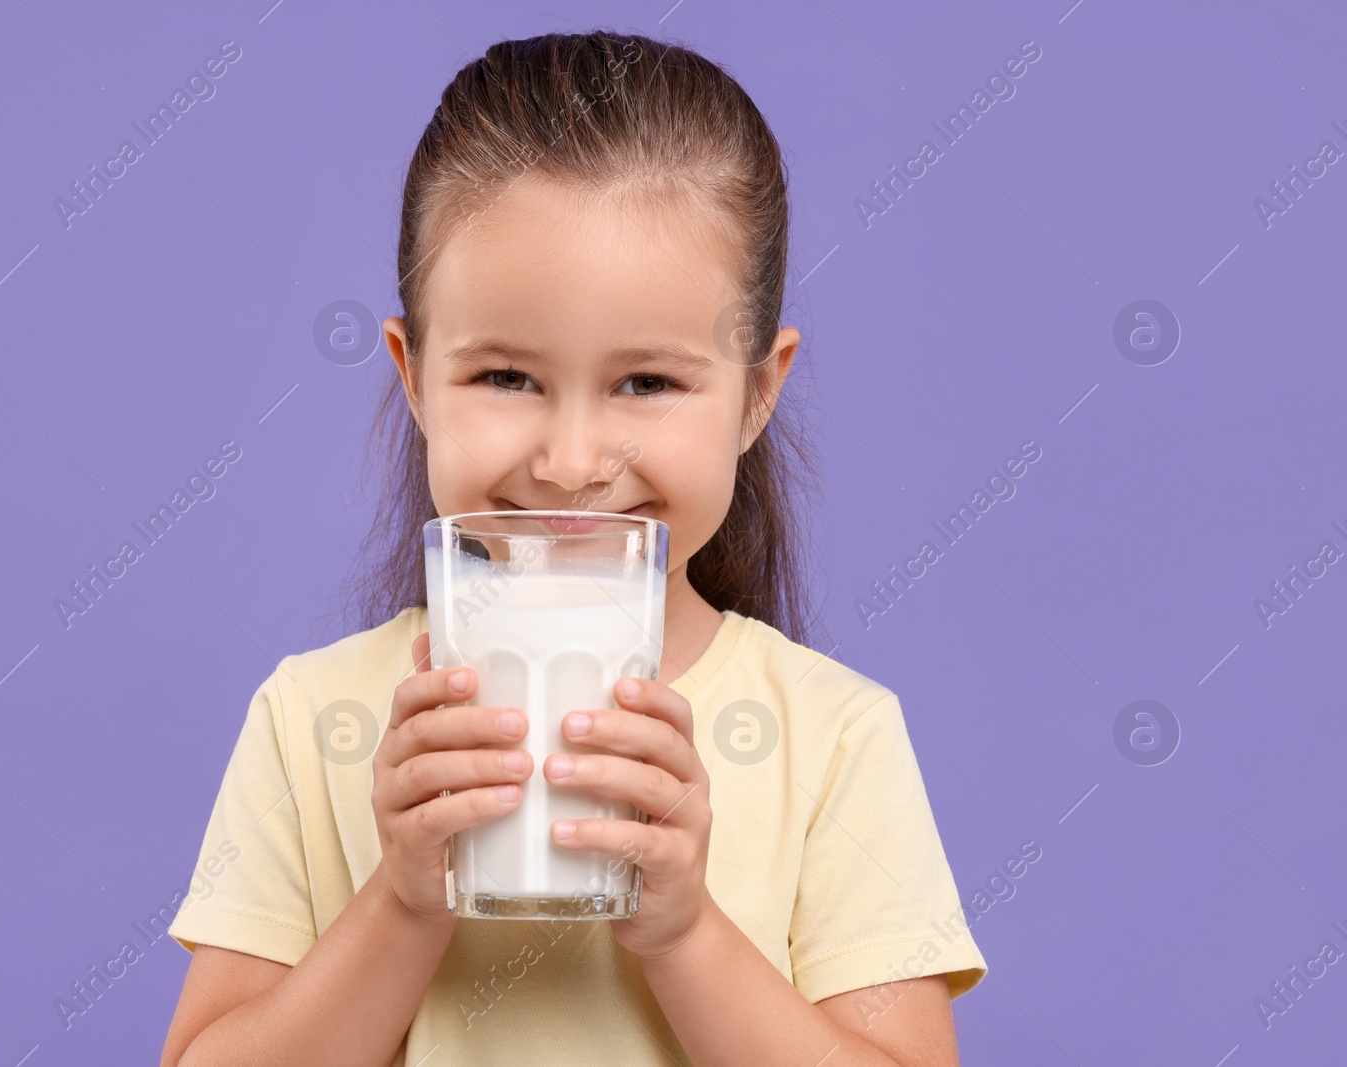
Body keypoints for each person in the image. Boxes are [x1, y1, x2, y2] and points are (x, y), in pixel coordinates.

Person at [160, 29, 985, 1067]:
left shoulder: (834, 738)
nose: (570, 460)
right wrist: (403, 901)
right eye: (507, 376)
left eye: (647, 382)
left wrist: (687, 931)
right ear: (413, 377)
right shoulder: (311, 719)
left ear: (756, 393)